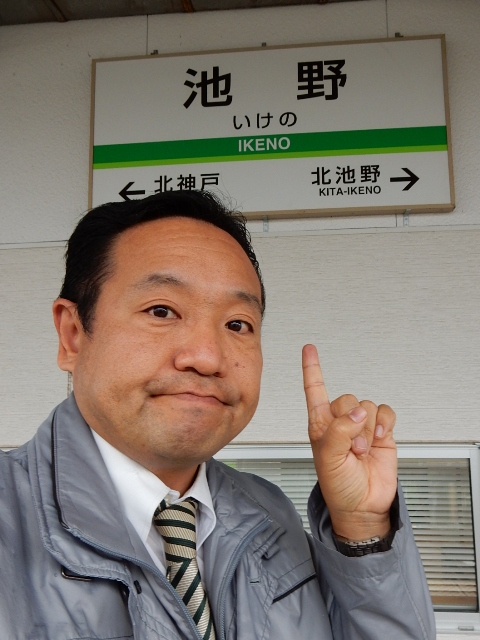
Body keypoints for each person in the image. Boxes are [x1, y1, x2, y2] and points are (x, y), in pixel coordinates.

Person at [0, 189, 435, 639]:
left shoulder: (268, 513)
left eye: (237, 324)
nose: (207, 357)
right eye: (162, 311)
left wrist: (362, 528)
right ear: (73, 335)